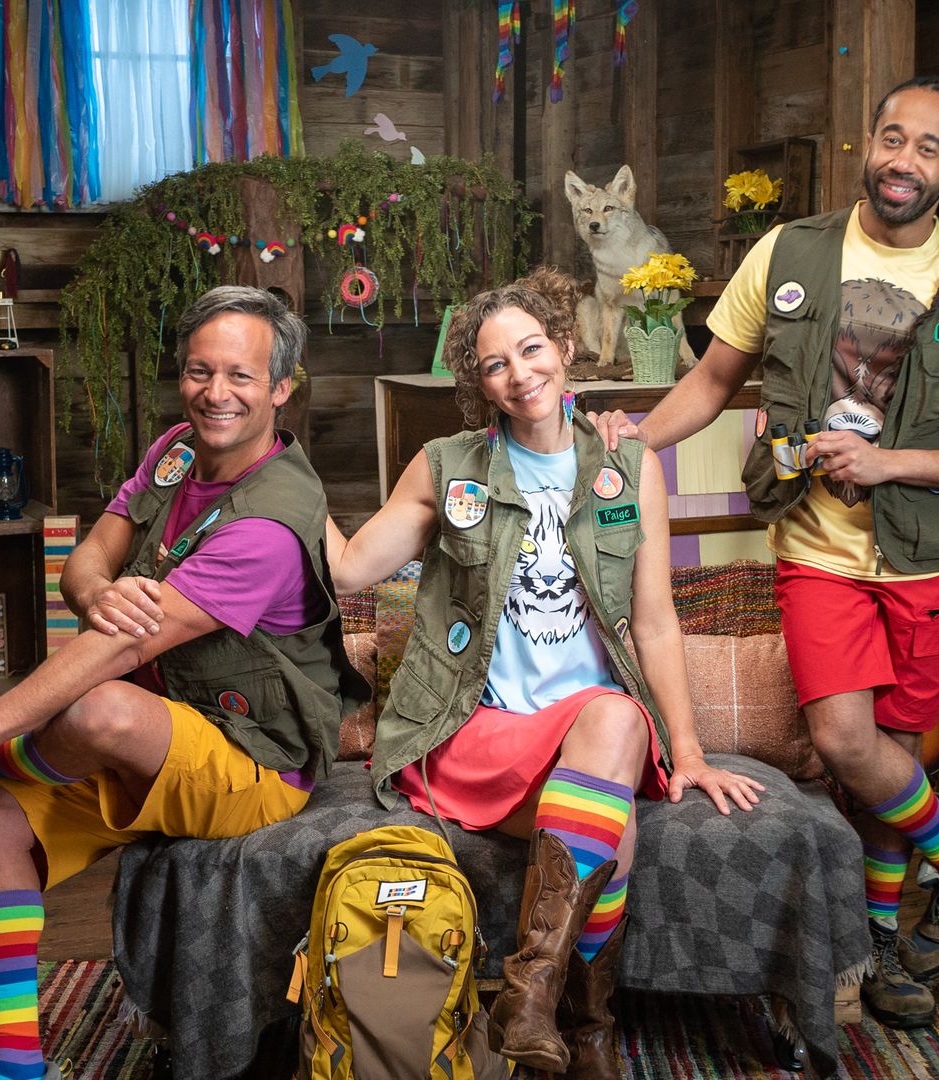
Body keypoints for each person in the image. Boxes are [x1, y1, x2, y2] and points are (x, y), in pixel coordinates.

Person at [0, 286, 364, 1080]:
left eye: (241, 376)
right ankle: (18, 1068)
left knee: (98, 706)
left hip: (255, 762)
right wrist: (99, 592)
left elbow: (114, 657)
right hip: (159, 725)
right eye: (200, 371)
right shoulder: (177, 449)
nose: (215, 393)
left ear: (281, 389)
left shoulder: (267, 525)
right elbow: (87, 562)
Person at [594, 75, 939, 1029]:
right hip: (816, 550)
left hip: (925, 559)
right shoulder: (790, 252)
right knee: (845, 739)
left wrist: (889, 463)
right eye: (891, 137)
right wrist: (636, 439)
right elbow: (713, 379)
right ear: (866, 145)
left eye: (928, 148)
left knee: (891, 757)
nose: (902, 160)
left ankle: (883, 944)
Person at [328, 268, 765, 1079]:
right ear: (480, 382)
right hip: (475, 727)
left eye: (533, 349)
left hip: (591, 738)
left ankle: (531, 998)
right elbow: (354, 570)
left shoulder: (629, 468)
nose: (521, 373)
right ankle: (586, 1025)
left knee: (614, 719)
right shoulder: (448, 465)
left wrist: (693, 751)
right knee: (613, 825)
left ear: (566, 349)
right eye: (497, 364)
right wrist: (287, 479)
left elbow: (655, 621)